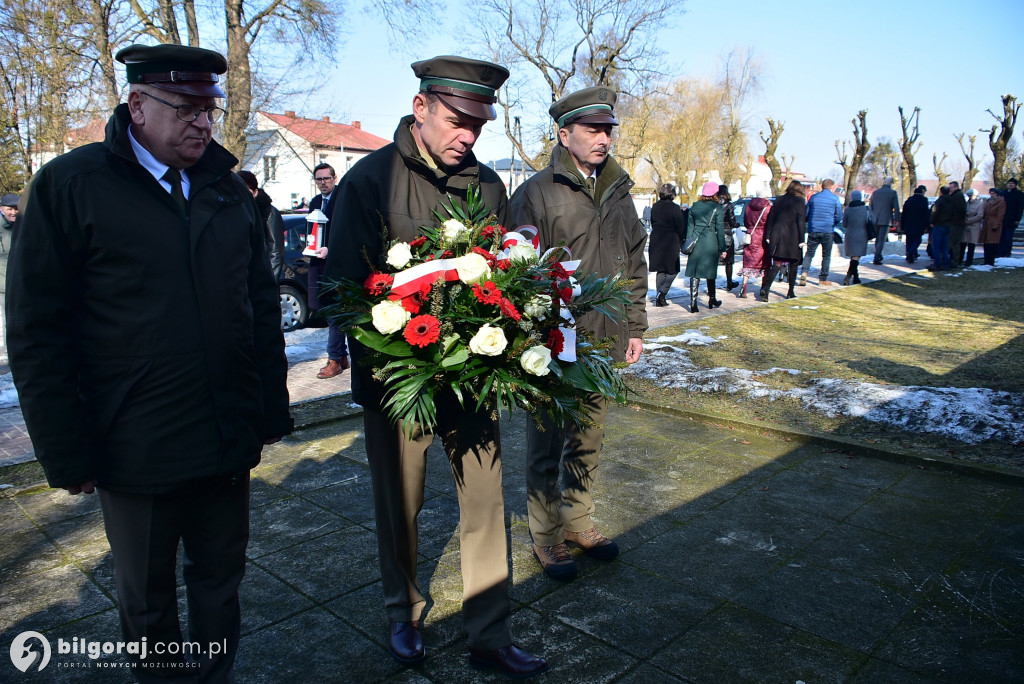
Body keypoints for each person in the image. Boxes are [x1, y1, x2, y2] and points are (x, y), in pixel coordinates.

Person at [5, 43, 292, 681]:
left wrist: (270, 409)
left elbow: (258, 305)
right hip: (135, 442)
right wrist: (65, 450)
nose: (201, 122)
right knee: (148, 597)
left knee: (221, 583)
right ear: (137, 105)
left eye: (209, 110)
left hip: (225, 434)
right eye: (185, 107)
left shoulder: (226, 189)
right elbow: (36, 329)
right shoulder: (72, 186)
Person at [324, 56, 547, 678]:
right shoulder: (371, 179)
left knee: (484, 507)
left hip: (474, 381)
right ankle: (404, 611)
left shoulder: (488, 187)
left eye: (478, 125)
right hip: (400, 383)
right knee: (401, 504)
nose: (467, 136)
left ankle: (490, 632)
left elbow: (506, 272)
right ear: (420, 108)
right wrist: (397, 350)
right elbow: (342, 287)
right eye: (457, 121)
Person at [508, 86, 648, 583]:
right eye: (592, 129)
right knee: (546, 442)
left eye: (608, 129)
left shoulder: (619, 191)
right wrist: (530, 341)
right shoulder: (535, 193)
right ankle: (545, 537)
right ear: (564, 134)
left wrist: (634, 325)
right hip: (553, 342)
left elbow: (633, 262)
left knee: (588, 438)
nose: (603, 138)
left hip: (604, 341)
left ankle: (577, 521)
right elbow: (515, 271)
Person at [307, 163, 350, 378]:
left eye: (326, 178)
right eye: (319, 179)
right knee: (327, 310)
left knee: (335, 312)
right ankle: (341, 356)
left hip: (338, 264)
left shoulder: (343, 199)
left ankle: (334, 359)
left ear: (334, 178)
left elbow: (348, 231)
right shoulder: (315, 202)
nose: (323, 182)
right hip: (318, 264)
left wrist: (330, 249)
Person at [685, 181, 728, 312]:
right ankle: (712, 299)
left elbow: (690, 227)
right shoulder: (717, 208)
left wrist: (689, 241)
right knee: (711, 271)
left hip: (696, 241)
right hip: (710, 242)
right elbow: (720, 229)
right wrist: (722, 248)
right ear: (715, 193)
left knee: (695, 272)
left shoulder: (694, 207)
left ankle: (693, 303)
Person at [760, 180, 807, 299]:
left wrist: (768, 235)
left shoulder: (779, 199)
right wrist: (802, 239)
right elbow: (801, 221)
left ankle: (766, 288)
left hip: (778, 235)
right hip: (793, 236)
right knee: (794, 264)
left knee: (776, 263)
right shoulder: (800, 201)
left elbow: (771, 218)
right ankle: (790, 291)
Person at [237, 169, 284, 279]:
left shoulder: (268, 212)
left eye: (246, 190)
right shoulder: (235, 212)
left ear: (255, 192)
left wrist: (269, 282)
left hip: (261, 278)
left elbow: (276, 252)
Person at [649, 183, 687, 306]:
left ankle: (660, 298)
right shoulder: (675, 208)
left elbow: (653, 222)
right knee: (673, 270)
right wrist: (682, 239)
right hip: (671, 240)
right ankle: (662, 293)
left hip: (657, 239)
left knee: (661, 270)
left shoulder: (655, 206)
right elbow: (680, 227)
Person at [802, 178, 843, 285]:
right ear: (832, 187)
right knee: (826, 255)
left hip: (814, 229)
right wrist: (832, 223)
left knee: (809, 253)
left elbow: (806, 213)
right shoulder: (835, 199)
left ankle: (804, 272)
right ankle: (823, 278)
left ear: (822, 186)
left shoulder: (814, 198)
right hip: (827, 230)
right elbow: (839, 215)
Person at [738, 191, 770, 298]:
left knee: (747, 262)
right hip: (762, 235)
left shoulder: (748, 206)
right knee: (764, 263)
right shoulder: (768, 207)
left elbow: (746, 221)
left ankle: (744, 285)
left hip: (750, 235)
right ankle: (763, 287)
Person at [841, 190, 874, 285]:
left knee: (853, 257)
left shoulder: (847, 209)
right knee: (856, 257)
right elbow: (873, 220)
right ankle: (849, 277)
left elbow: (844, 224)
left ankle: (855, 277)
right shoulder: (866, 209)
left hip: (850, 235)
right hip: (862, 234)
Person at [869, 176, 900, 264]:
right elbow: (896, 207)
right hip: (886, 219)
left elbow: (870, 206)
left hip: (875, 219)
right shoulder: (893, 193)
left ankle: (878, 254)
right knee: (882, 239)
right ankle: (877, 256)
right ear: (891, 183)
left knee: (877, 238)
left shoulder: (875, 192)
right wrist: (897, 219)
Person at [717, 185, 740, 290]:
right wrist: (737, 225)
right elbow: (732, 221)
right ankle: (729, 282)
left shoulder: (714, 204)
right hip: (727, 233)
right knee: (729, 261)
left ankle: (710, 286)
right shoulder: (729, 205)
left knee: (714, 262)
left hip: (716, 233)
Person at [901, 185, 930, 264]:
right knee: (917, 239)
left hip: (908, 224)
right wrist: (928, 226)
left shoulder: (909, 200)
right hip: (919, 224)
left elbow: (904, 213)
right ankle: (911, 251)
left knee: (909, 240)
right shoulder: (924, 200)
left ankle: (908, 254)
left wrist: (902, 225)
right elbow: (926, 214)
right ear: (922, 192)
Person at [929, 185, 954, 271]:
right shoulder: (952, 201)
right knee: (945, 245)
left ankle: (937, 263)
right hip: (948, 225)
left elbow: (935, 213)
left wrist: (932, 222)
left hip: (939, 225)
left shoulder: (939, 201)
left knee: (936, 245)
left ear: (941, 192)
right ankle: (946, 262)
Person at [982, 187, 1006, 266]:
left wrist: (996, 224)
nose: (992, 195)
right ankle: (986, 260)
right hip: (987, 223)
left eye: (993, 193)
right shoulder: (988, 200)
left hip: (994, 223)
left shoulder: (1001, 201)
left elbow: (1000, 214)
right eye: (990, 193)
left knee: (992, 243)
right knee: (986, 243)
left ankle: (990, 261)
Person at [999, 178, 1023, 257]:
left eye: (1012, 183)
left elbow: (1020, 208)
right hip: (1002, 218)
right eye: (1009, 183)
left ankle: (1007, 252)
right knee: (1001, 236)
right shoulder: (1003, 193)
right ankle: (1001, 252)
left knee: (1008, 237)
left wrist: (1017, 219)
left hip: (1012, 219)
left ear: (1015, 185)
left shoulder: (1019, 194)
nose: (1010, 185)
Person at [947, 180, 968, 267]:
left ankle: (955, 261)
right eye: (949, 187)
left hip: (956, 223)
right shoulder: (954, 196)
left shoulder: (958, 196)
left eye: (951, 187)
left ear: (956, 187)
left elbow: (961, 210)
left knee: (954, 243)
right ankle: (953, 260)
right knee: (952, 242)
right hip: (954, 222)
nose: (950, 189)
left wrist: (954, 217)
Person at [963, 188, 985, 267]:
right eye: (968, 196)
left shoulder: (980, 203)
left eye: (971, 196)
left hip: (974, 226)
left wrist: (968, 220)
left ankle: (969, 261)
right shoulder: (967, 203)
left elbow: (980, 215)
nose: (969, 197)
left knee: (971, 244)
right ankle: (960, 260)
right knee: (963, 243)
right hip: (965, 225)